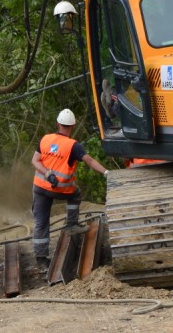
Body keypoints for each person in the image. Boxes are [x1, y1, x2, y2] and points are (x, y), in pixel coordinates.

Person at [31, 108, 108, 267]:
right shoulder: (74, 146)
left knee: (41, 222)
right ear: (72, 126)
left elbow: (35, 161)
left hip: (39, 188)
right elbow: (90, 161)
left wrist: (47, 174)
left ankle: (41, 259)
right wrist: (106, 172)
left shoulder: (45, 139)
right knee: (76, 193)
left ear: (57, 124)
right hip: (60, 189)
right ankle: (71, 224)